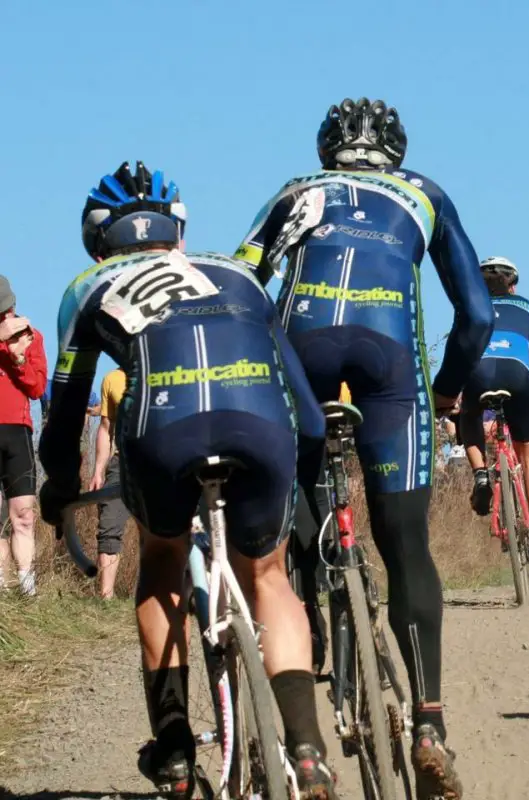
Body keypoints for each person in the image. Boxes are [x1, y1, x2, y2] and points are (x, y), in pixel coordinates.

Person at [38, 161, 335, 799]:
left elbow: (66, 408)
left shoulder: (88, 285)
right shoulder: (235, 273)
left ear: (97, 241)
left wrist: (58, 489)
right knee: (268, 577)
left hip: (160, 430)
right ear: (177, 233)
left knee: (164, 560)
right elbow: (303, 402)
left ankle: (173, 755)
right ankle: (308, 751)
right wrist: (311, 459)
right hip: (259, 421)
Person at [234, 97, 495, 800]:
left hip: (301, 344)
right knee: (406, 544)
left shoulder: (295, 192)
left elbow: (238, 283)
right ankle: (429, 724)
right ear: (397, 152)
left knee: (287, 517)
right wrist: (444, 393)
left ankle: (304, 629)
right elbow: (476, 314)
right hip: (389, 362)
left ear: (327, 151)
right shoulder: (424, 194)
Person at [460, 257, 529, 522]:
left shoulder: (470, 307)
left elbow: (459, 351)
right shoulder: (527, 307)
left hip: (478, 373)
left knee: (468, 416)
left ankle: (481, 475)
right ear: (512, 286)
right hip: (518, 374)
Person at [0, 275, 47, 595]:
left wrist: (17, 358)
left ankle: (27, 588)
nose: (8, 320)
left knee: (24, 515)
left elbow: (37, 388)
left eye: (8, 312)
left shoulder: (31, 336)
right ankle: (2, 589)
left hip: (16, 431)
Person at [89, 368, 130, 599]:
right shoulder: (112, 379)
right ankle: (106, 598)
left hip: (159, 463)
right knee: (109, 526)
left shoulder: (168, 370)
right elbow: (106, 429)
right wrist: (98, 470)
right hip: (121, 463)